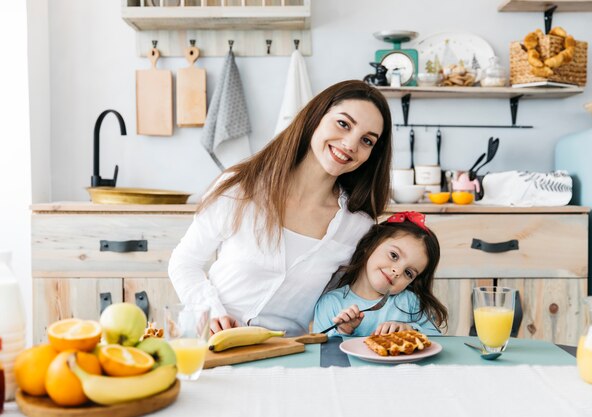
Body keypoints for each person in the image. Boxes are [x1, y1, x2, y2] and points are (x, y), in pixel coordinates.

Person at [168, 80, 393, 336]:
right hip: (213, 346)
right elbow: (184, 262)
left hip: (290, 356)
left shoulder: (357, 226)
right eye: (343, 124)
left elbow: (336, 305)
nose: (351, 144)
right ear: (316, 117)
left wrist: (346, 323)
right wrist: (210, 311)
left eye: (367, 140)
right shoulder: (241, 188)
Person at [313, 211, 448, 337]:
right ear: (370, 244)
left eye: (408, 273)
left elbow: (437, 340)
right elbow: (322, 352)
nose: (398, 271)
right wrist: (344, 331)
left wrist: (411, 330)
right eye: (394, 255)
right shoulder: (331, 303)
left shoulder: (411, 303)